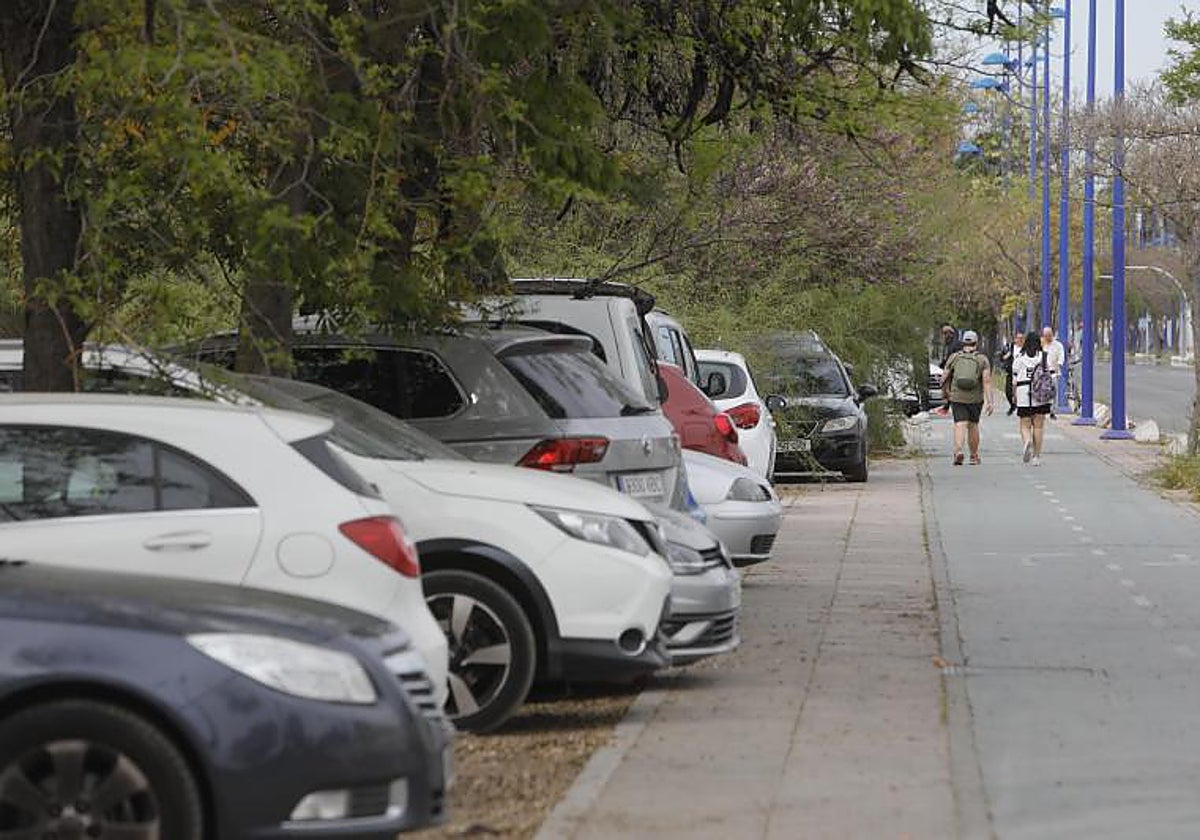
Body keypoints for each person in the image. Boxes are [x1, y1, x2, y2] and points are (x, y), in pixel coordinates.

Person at [941, 330, 993, 465]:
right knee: (973, 425)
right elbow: (986, 381)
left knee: (960, 424)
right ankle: (974, 456)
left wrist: (945, 393)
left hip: (957, 396)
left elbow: (944, 377)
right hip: (975, 398)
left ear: (963, 342)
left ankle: (958, 451)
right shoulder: (982, 359)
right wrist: (990, 401)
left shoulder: (954, 357)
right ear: (976, 342)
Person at [1013, 330, 1052, 466]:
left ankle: (1027, 440)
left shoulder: (1019, 357)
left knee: (1025, 424)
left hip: (1023, 393)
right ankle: (1036, 456)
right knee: (1039, 427)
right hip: (1041, 396)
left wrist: (1014, 396)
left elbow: (1014, 379)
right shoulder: (1044, 357)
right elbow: (1050, 376)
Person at [1041, 326, 1065, 419]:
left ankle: (1052, 411)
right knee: (1042, 390)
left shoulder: (1058, 345)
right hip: (1042, 372)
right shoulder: (1042, 345)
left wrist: (1058, 365)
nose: (1047, 337)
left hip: (1053, 372)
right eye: (1045, 336)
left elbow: (1061, 357)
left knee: (1054, 391)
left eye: (1049, 335)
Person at [999, 332, 1025, 415]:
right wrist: (1007, 356)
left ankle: (1020, 407)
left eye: (1022, 338)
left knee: (1021, 391)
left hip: (1022, 373)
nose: (1020, 340)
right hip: (1011, 372)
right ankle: (1013, 405)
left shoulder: (1026, 349)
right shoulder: (1010, 347)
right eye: (1018, 338)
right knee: (1008, 391)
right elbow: (1001, 357)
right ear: (1015, 339)